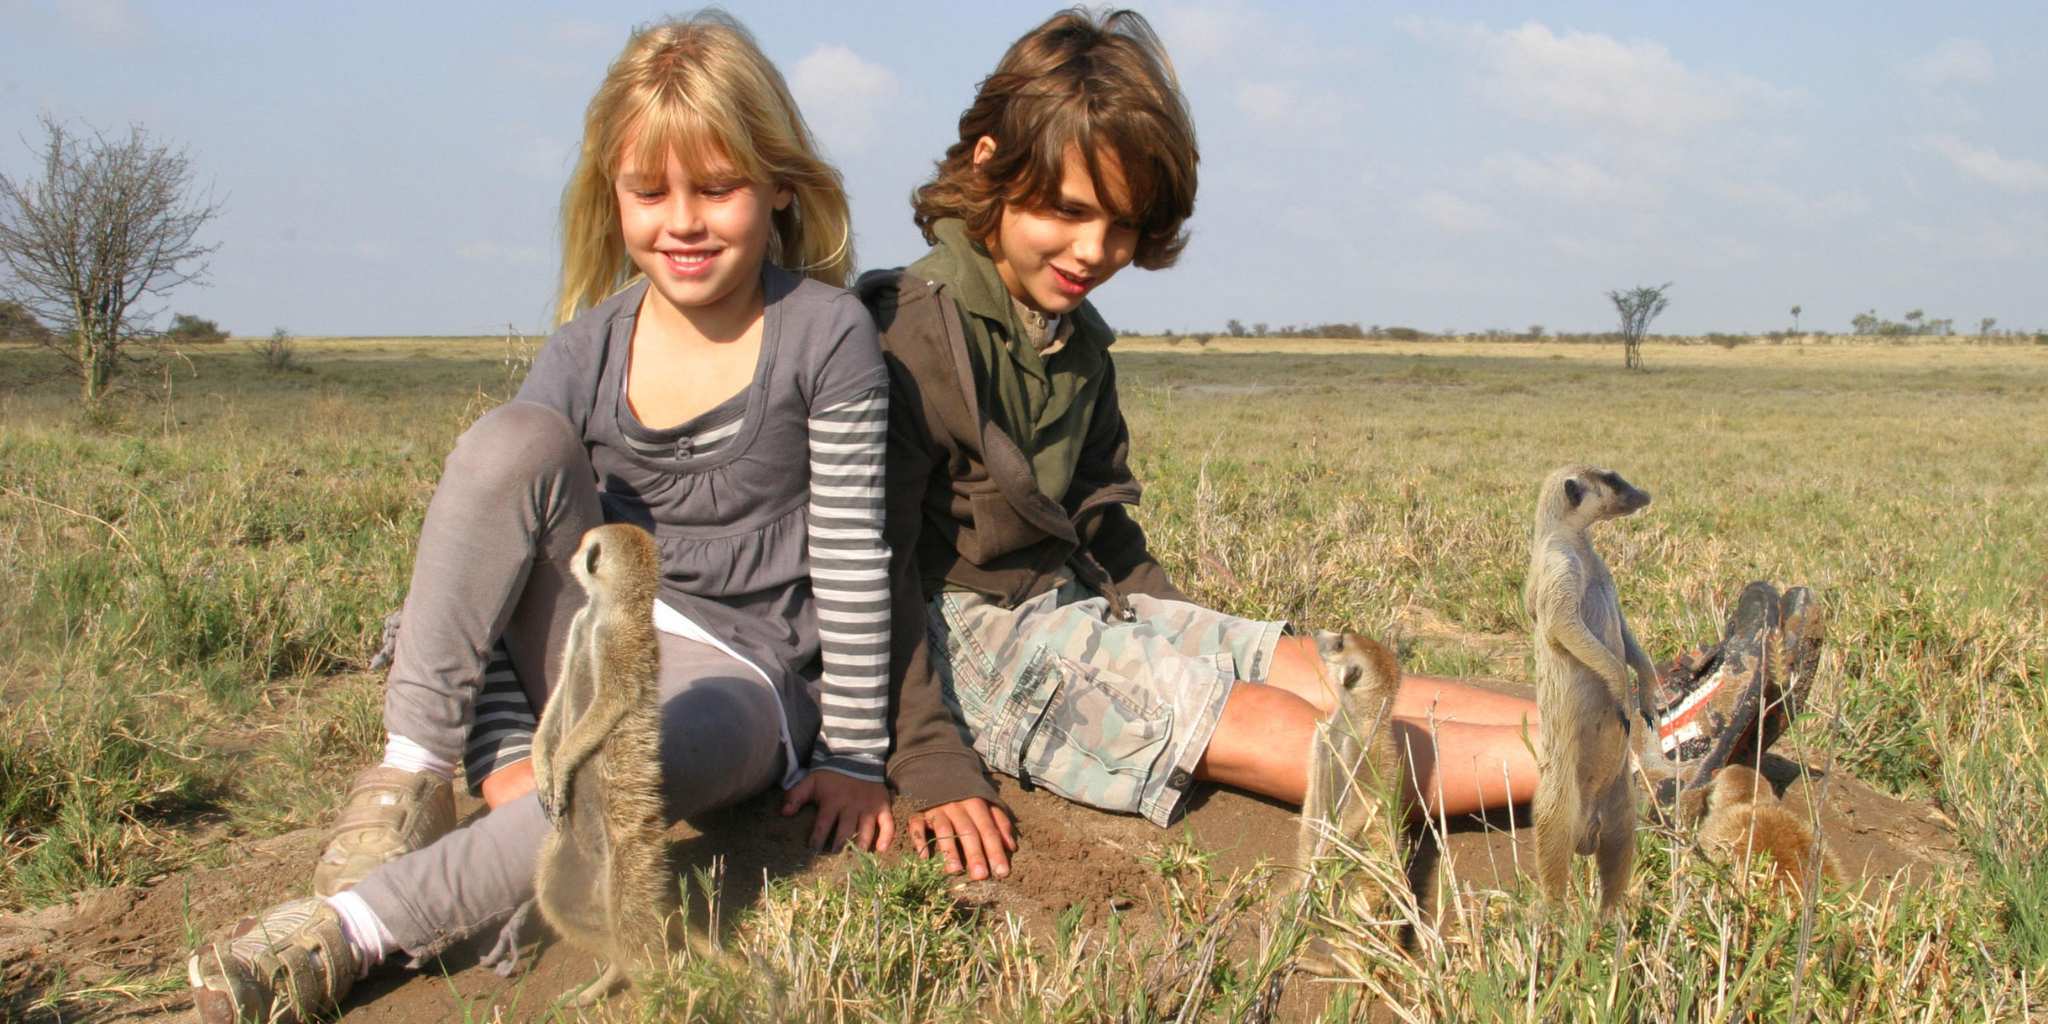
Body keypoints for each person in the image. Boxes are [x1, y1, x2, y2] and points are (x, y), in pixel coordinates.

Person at [862, 8, 1809, 883]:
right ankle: (1626, 770)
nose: (1091, 251)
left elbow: (1101, 525)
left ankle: (1646, 727)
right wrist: (928, 755)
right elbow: (875, 570)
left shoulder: (1078, 340)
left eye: (1122, 228)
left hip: (1079, 603)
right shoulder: (911, 328)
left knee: (1321, 667)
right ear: (988, 162)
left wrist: (1193, 634)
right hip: (968, 645)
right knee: (1281, 720)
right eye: (1066, 211)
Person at [188, 13, 900, 1021]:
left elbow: (850, 563)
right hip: (585, 639)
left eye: (718, 186)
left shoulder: (827, 337)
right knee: (508, 442)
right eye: (649, 192)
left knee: (621, 775)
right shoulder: (585, 346)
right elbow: (495, 585)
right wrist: (507, 751)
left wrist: (854, 756)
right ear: (610, 196)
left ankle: (345, 931)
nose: (683, 221)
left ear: (781, 183)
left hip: (741, 676)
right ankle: (411, 775)